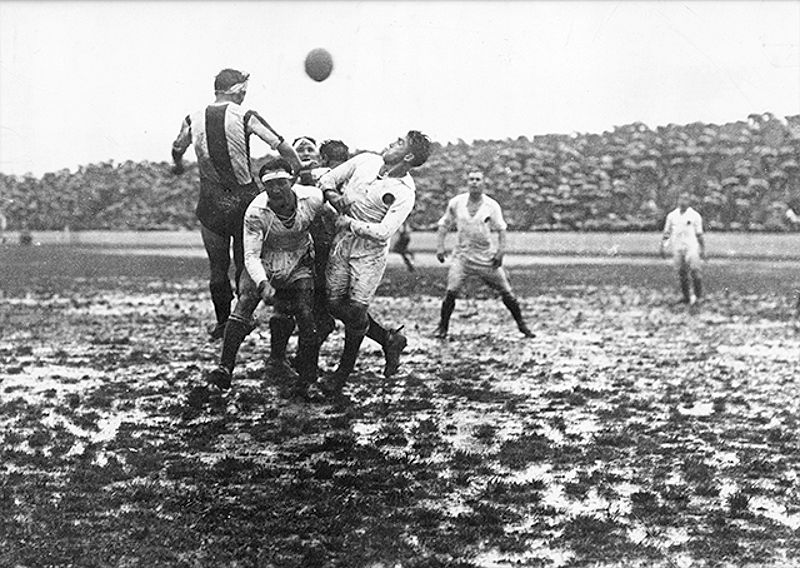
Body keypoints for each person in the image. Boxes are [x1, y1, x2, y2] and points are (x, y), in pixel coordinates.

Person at [171, 68, 301, 340]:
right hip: (243, 200)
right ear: (238, 90)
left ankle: (221, 323)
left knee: (217, 267)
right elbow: (283, 148)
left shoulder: (192, 118)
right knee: (246, 262)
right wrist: (297, 171)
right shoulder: (245, 115)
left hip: (212, 201)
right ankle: (242, 317)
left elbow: (177, 148)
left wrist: (179, 165)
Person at [312, 131, 432, 399]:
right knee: (333, 305)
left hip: (369, 255)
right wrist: (333, 196)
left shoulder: (404, 192)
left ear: (409, 156)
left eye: (399, 143)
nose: (391, 142)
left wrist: (351, 223)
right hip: (342, 244)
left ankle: (340, 377)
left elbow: (384, 231)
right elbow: (327, 179)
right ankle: (389, 340)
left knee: (355, 311)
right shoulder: (365, 161)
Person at [207, 158, 326, 397]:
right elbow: (250, 254)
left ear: (291, 181)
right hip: (265, 259)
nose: (276, 189)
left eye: (281, 183)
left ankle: (308, 379)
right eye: (269, 184)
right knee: (244, 304)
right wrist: (263, 283)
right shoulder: (255, 211)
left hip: (298, 258)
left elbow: (328, 223)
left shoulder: (312, 198)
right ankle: (224, 370)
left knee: (305, 312)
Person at [299, 138, 409, 379]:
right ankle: (386, 339)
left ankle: (317, 370)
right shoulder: (306, 176)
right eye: (300, 150)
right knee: (328, 308)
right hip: (318, 249)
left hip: (338, 247)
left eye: (309, 149)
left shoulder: (328, 175)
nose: (305, 154)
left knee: (331, 310)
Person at [434, 170, 535, 339]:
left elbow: (502, 229)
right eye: (471, 179)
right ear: (467, 183)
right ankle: (442, 327)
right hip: (462, 256)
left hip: (486, 258)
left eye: (477, 180)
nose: (474, 182)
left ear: (483, 183)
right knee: (451, 291)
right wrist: (440, 247)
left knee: (506, 291)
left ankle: (522, 326)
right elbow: (444, 224)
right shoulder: (456, 203)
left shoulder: (491, 205)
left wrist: (501, 251)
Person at [660, 192, 705, 306]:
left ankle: (698, 296)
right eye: (681, 199)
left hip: (691, 247)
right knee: (681, 273)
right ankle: (686, 297)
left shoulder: (695, 216)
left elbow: (699, 234)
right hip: (678, 247)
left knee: (695, 271)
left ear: (689, 201)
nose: (682, 202)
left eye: (685, 199)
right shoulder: (672, 216)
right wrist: (663, 246)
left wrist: (702, 248)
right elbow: (667, 232)